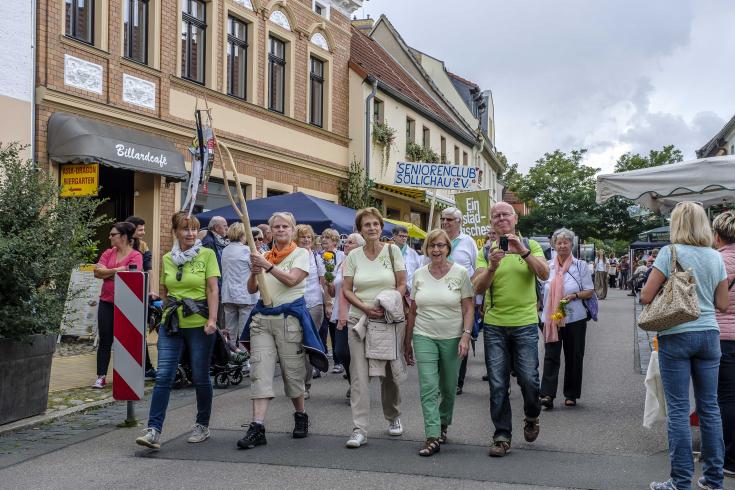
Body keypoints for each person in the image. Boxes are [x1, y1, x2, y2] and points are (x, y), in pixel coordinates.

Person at [642, 202, 728, 490]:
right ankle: (714, 480)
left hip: (676, 334)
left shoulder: (671, 253)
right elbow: (723, 304)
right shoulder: (716, 257)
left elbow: (646, 296)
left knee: (679, 410)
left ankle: (680, 482)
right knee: (710, 408)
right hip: (710, 336)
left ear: (676, 224)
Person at [237, 212, 327, 450]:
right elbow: (250, 289)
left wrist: (268, 266)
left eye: (285, 226)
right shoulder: (264, 254)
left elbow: (292, 280)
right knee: (260, 370)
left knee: (293, 372)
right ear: (271, 231)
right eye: (276, 226)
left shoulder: (302, 254)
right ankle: (257, 426)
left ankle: (300, 415)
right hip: (262, 320)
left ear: (293, 229)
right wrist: (255, 270)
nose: (280, 230)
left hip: (289, 320)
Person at [135, 212, 220, 449]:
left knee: (201, 376)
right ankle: (153, 430)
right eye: (185, 229)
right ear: (175, 232)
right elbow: (166, 290)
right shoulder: (167, 258)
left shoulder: (207, 254)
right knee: (163, 376)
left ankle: (202, 425)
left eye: (194, 229)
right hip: (171, 324)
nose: (191, 234)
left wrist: (212, 319)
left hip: (199, 324)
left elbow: (213, 289)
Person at [473, 202, 549, 457]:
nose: (501, 218)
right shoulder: (485, 250)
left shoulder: (531, 245)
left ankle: (531, 414)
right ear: (491, 222)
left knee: (529, 379)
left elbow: (544, 274)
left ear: (515, 219)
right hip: (495, 325)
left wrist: (523, 251)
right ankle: (502, 435)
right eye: (496, 216)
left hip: (525, 323)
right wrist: (493, 266)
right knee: (497, 384)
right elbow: (478, 288)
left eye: (506, 214)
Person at [342, 207, 407, 448]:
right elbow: (347, 289)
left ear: (381, 227)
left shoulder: (393, 251)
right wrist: (366, 307)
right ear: (360, 229)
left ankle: (393, 416)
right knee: (359, 376)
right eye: (366, 225)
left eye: (375, 224)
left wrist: (387, 301)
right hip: (358, 321)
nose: (371, 228)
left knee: (388, 375)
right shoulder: (353, 256)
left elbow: (402, 285)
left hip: (387, 321)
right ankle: (359, 428)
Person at [405, 229, 474, 456]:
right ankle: (432, 435)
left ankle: (443, 422)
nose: (436, 250)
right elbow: (413, 311)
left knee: (448, 388)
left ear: (448, 248)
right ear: (426, 248)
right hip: (424, 335)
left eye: (441, 245)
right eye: (432, 245)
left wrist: (466, 335)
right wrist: (407, 342)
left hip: (452, 337)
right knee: (428, 387)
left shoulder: (460, 273)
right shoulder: (418, 274)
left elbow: (468, 307)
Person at [539, 228, 594, 410]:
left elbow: (589, 291)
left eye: (566, 242)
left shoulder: (580, 266)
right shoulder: (548, 266)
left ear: (572, 244)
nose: (562, 245)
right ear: (554, 245)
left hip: (575, 318)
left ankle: (571, 394)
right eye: (559, 242)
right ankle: (547, 394)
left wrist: (574, 295)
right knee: (551, 356)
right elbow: (540, 291)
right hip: (550, 318)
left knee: (574, 356)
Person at [92, 222, 143, 389]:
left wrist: (109, 271)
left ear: (123, 236)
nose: (109, 237)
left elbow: (131, 276)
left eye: (113, 234)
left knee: (125, 341)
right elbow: (97, 272)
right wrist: (117, 270)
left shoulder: (136, 256)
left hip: (127, 305)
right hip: (107, 302)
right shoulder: (108, 252)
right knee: (105, 340)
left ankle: (126, 376)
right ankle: (101, 376)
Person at [440, 207, 478, 395]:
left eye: (449, 219)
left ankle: (456, 381)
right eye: (443, 219)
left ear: (459, 222)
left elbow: (478, 269)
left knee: (460, 337)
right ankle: (442, 378)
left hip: (462, 299)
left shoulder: (468, 242)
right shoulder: (437, 239)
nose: (445, 222)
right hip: (439, 299)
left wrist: (471, 291)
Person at [328, 232, 365, 400]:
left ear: (359, 246)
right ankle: (354, 383)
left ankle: (357, 387)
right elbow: (333, 291)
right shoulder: (340, 264)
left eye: (350, 242)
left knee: (356, 354)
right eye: (346, 242)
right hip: (340, 314)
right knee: (341, 351)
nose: (346, 244)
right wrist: (328, 281)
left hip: (357, 313)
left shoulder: (362, 263)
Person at [713, 210, 735, 478]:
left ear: (717, 236)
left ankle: (729, 459)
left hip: (723, 337)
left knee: (726, 398)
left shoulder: (716, 261)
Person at [295, 224, 327, 398]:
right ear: (297, 239)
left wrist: (328, 304)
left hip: (314, 305)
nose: (306, 240)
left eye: (309, 237)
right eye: (303, 237)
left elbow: (323, 281)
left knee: (307, 345)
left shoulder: (316, 257)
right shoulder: (292, 255)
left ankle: (305, 385)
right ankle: (297, 382)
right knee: (295, 345)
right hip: (295, 304)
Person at [221, 224, 260, 356]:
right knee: (244, 331)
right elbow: (256, 270)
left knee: (230, 331)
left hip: (228, 294)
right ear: (243, 234)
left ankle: (231, 357)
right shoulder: (247, 250)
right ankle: (245, 360)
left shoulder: (225, 250)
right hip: (245, 295)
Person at [126, 215, 156, 380]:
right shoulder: (121, 246)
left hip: (140, 293)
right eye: (141, 229)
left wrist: (152, 290)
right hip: (124, 294)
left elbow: (149, 269)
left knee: (140, 332)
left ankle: (146, 367)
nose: (144, 232)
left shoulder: (143, 246)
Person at [321, 228, 346, 375]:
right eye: (323, 237)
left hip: (337, 296)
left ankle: (338, 361)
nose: (324, 240)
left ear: (335, 241)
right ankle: (322, 359)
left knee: (335, 329)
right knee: (322, 330)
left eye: (328, 238)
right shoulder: (318, 255)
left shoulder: (342, 256)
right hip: (321, 295)